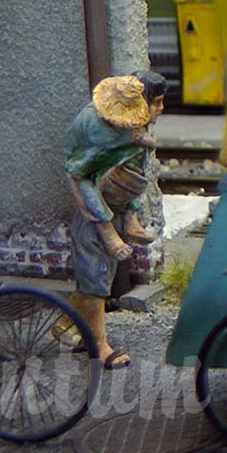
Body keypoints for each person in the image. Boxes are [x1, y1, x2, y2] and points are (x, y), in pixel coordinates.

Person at [61, 74, 161, 368]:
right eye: (157, 103)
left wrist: (132, 212)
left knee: (100, 277)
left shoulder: (130, 129)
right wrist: (106, 227)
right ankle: (100, 346)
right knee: (94, 277)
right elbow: (79, 175)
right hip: (94, 208)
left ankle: (65, 326)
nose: (161, 109)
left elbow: (134, 170)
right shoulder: (101, 132)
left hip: (114, 202)